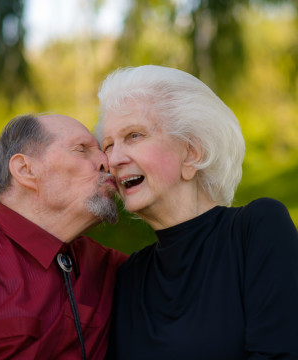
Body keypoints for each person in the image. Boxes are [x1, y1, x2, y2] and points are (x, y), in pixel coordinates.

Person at [96, 65, 298, 359]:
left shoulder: (257, 230)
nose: (113, 159)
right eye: (108, 145)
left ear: (192, 153)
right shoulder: (129, 277)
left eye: (134, 136)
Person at [0, 113, 128, 359]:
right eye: (82, 149)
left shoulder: (114, 268)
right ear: (25, 169)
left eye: (104, 150)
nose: (107, 162)